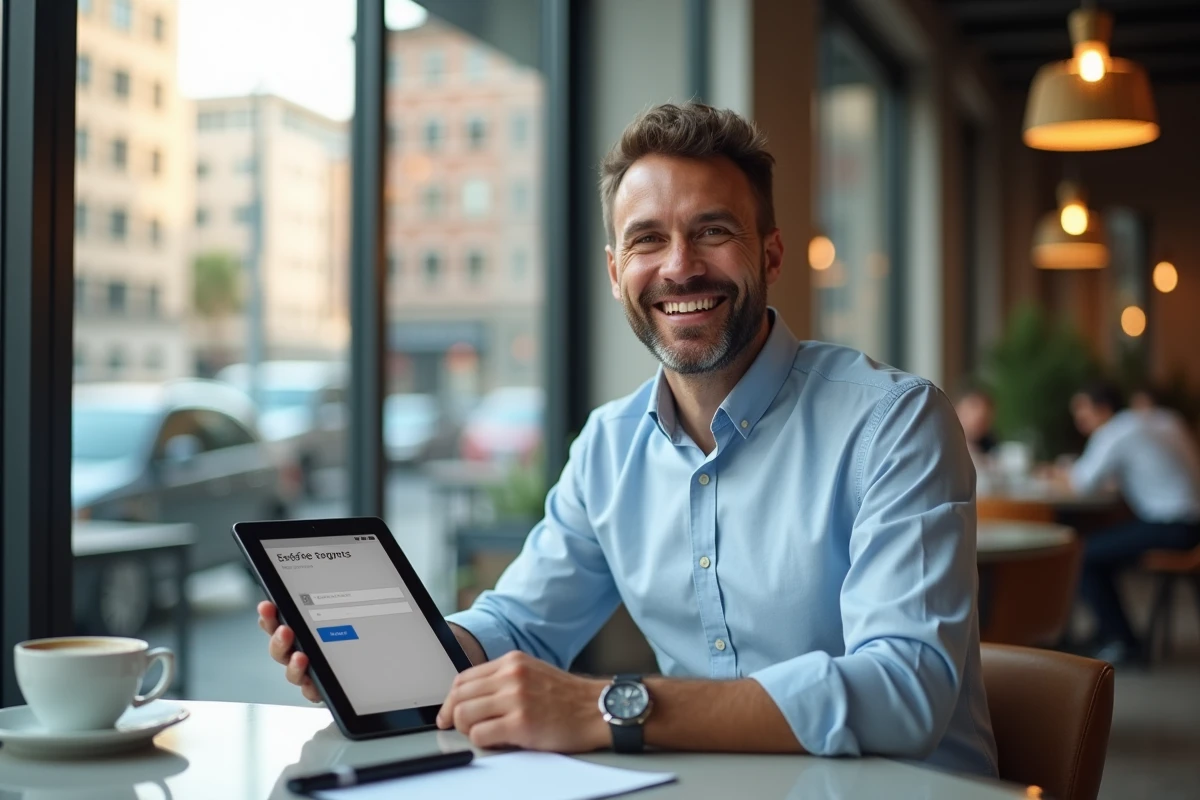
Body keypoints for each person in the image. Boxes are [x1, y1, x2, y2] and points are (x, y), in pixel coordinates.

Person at [258, 103, 997, 776]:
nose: (679, 266)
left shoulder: (895, 422)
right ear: (616, 273)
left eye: (712, 230)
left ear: (770, 256)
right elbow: (519, 623)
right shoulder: (609, 448)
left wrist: (604, 706)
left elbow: (905, 689)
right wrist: (392, 666)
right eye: (648, 240)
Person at [1066, 381, 1200, 663]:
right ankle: (1108, 633)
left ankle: (1123, 642)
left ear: (1102, 409)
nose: (1081, 424)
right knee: (1100, 549)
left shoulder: (1114, 432)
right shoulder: (1164, 419)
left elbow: (1081, 481)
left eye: (1083, 414)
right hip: (1192, 522)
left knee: (1082, 554)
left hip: (1171, 526)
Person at [954, 385, 998, 457]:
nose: (976, 417)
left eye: (985, 420)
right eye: (973, 407)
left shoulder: (991, 450)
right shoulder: (941, 442)